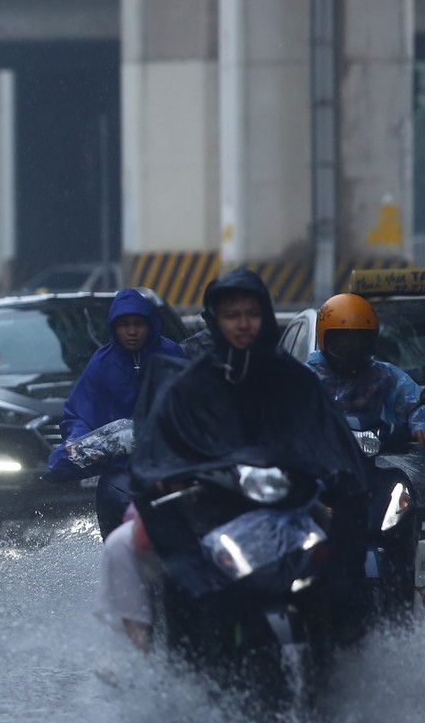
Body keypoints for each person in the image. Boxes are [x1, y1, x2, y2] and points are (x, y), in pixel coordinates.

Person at [99, 269, 370, 653]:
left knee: (353, 554)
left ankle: (345, 645)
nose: (243, 324)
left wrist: (332, 477)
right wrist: (172, 475)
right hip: (210, 504)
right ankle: (153, 662)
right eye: (231, 315)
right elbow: (162, 446)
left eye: (251, 313)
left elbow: (327, 441)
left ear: (265, 315)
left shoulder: (295, 381)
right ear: (215, 320)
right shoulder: (190, 384)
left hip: (287, 502)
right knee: (122, 547)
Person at [46, 289, 187, 536]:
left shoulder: (171, 354)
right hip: (120, 473)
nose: (132, 332)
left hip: (171, 469)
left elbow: (193, 403)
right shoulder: (101, 364)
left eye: (138, 324)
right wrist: (76, 443)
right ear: (114, 326)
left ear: (150, 324)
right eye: (124, 325)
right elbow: (79, 413)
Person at [304, 293, 425, 459]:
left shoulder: (385, 376)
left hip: (375, 461)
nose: (352, 347)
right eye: (343, 339)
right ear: (324, 338)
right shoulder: (305, 377)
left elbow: (414, 405)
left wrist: (424, 430)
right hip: (316, 461)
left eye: (360, 340)